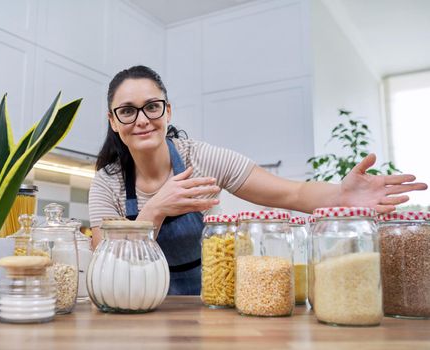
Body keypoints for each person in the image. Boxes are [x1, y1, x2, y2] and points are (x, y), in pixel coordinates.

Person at [88, 65, 427, 295]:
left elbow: (292, 193)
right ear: (113, 120)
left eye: (152, 106)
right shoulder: (107, 183)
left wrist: (342, 194)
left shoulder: (199, 159)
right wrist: (155, 210)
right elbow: (105, 265)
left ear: (168, 111)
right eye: (128, 111)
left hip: (210, 300)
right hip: (138, 305)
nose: (142, 120)